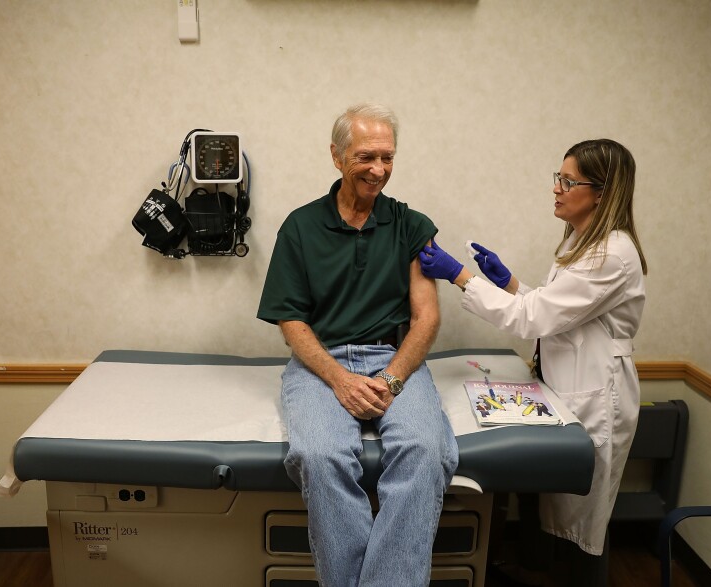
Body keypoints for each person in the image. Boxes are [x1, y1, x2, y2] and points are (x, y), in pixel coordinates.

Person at [419, 139, 647, 587]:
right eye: (556, 178)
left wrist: (459, 275)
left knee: (580, 522)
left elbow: (535, 318)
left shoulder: (611, 254)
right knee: (551, 510)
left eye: (568, 181)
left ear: (601, 192)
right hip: (567, 383)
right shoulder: (584, 242)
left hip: (597, 393)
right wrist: (509, 283)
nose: (556, 189)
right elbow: (555, 310)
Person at [257, 103, 459, 587]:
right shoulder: (300, 227)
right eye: (367, 156)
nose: (379, 170)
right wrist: (339, 378)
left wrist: (392, 377)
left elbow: (426, 317)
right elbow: (291, 320)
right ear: (336, 155)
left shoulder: (411, 225)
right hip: (320, 362)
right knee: (321, 456)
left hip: (394, 358)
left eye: (387, 157)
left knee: (427, 450)